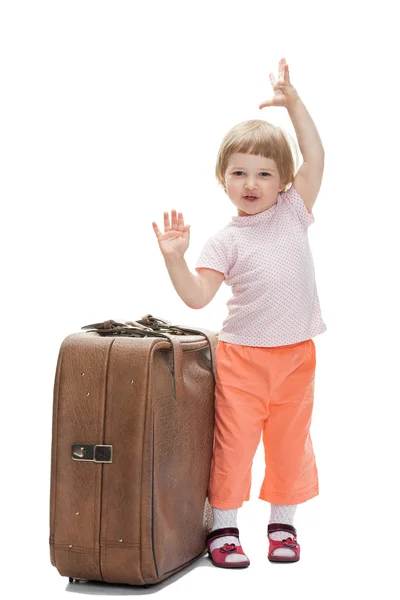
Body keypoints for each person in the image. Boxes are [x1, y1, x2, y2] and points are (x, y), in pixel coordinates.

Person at [152, 57, 327, 567]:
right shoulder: (225, 240)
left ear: (283, 181)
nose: (252, 183)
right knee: (234, 445)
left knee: (290, 444)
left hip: (296, 358)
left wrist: (294, 104)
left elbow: (315, 154)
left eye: (265, 174)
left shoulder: (294, 212)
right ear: (222, 179)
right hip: (242, 361)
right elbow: (197, 297)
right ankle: (224, 528)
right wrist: (175, 259)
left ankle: (283, 525)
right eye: (239, 173)